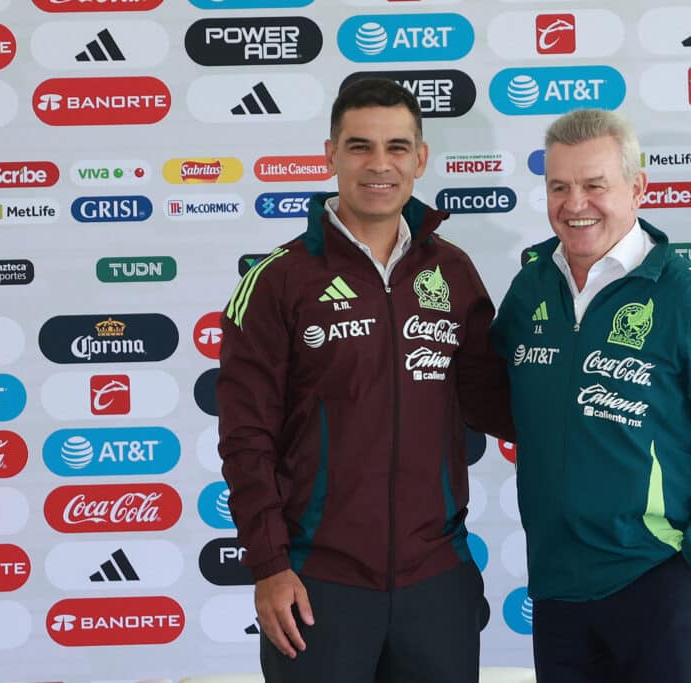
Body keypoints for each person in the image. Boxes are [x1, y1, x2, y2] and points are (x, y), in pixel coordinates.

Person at [216, 78, 512, 683]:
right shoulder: (277, 280)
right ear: (330, 155)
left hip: (438, 580)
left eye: (397, 147)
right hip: (315, 585)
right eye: (359, 146)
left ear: (420, 159)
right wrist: (270, 566)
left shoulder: (454, 271)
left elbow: (498, 405)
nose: (380, 164)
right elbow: (246, 439)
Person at [491, 108, 691, 683]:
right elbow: (489, 398)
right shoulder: (529, 291)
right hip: (557, 587)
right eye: (560, 186)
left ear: (637, 188)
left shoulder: (687, 294)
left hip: (658, 578)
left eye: (595, 185)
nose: (576, 204)